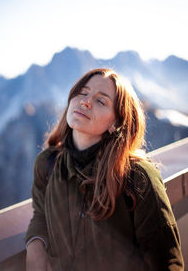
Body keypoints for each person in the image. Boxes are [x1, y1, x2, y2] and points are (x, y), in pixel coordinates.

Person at [25, 68, 184, 271]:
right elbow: (40, 212)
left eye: (101, 101)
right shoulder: (47, 163)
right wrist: (35, 244)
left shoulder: (137, 177)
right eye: (82, 92)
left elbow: (167, 262)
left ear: (115, 122)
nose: (85, 101)